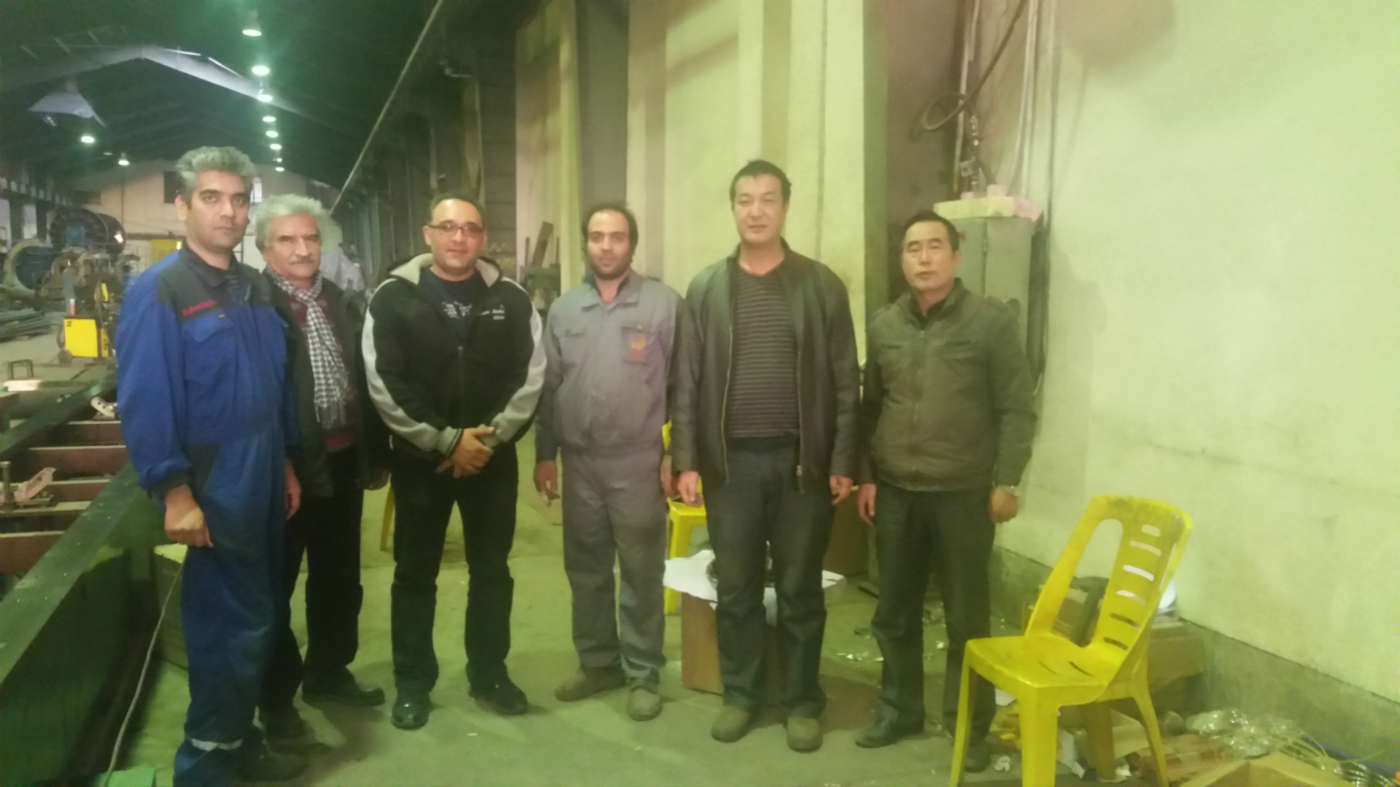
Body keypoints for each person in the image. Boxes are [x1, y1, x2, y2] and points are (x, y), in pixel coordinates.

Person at [116, 146, 305, 785]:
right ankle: (205, 765)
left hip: (264, 468)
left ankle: (236, 742)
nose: (228, 212)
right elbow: (145, 399)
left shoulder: (255, 287)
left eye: (238, 200)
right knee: (226, 625)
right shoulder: (161, 290)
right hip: (214, 480)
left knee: (260, 617)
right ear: (182, 206)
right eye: (211, 198)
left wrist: (284, 464)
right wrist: (174, 492)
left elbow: (271, 387)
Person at [672, 160, 860, 752]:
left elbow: (845, 381)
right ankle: (742, 696)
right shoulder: (707, 288)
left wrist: (843, 460)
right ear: (733, 208)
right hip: (730, 468)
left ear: (785, 207)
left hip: (802, 466)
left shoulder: (821, 286)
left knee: (801, 588)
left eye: (768, 199)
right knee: (737, 589)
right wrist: (686, 460)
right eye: (745, 200)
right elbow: (686, 381)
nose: (756, 210)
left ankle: (802, 701)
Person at [854, 211, 1036, 770]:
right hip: (897, 492)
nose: (924, 258)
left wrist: (1007, 480)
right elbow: (870, 407)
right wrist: (867, 476)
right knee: (894, 611)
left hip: (964, 494)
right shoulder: (885, 325)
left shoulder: (990, 323)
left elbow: (1017, 409)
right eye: (913, 248)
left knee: (965, 618)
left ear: (956, 257)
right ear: (902, 261)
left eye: (935, 246)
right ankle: (899, 709)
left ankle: (968, 727)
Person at [362, 193, 545, 730]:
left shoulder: (512, 299)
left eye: (469, 228)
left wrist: (486, 441)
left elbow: (530, 375)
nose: (458, 237)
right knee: (414, 574)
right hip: (422, 462)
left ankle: (489, 673)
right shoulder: (392, 298)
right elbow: (384, 381)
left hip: (492, 460)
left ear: (483, 238)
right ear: (428, 234)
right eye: (447, 227)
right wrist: (444, 440)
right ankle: (413, 683)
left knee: (492, 572)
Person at [534, 204, 689, 722]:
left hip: (639, 462)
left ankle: (642, 672)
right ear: (585, 242)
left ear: (632, 244)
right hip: (579, 464)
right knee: (586, 569)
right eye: (597, 236)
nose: (606, 246)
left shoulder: (664, 305)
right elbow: (548, 388)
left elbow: (685, 388)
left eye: (617, 237)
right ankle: (598, 663)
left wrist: (678, 454)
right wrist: (545, 455)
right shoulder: (563, 311)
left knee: (642, 571)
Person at [252, 195, 391, 745]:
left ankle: (329, 672)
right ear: (264, 248)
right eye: (287, 240)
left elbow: (368, 380)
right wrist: (280, 462)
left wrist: (374, 454)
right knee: (275, 587)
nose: (302, 249)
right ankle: (276, 699)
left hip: (342, 458)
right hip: (286, 467)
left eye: (310, 238)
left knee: (338, 577)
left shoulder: (341, 301)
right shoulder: (254, 305)